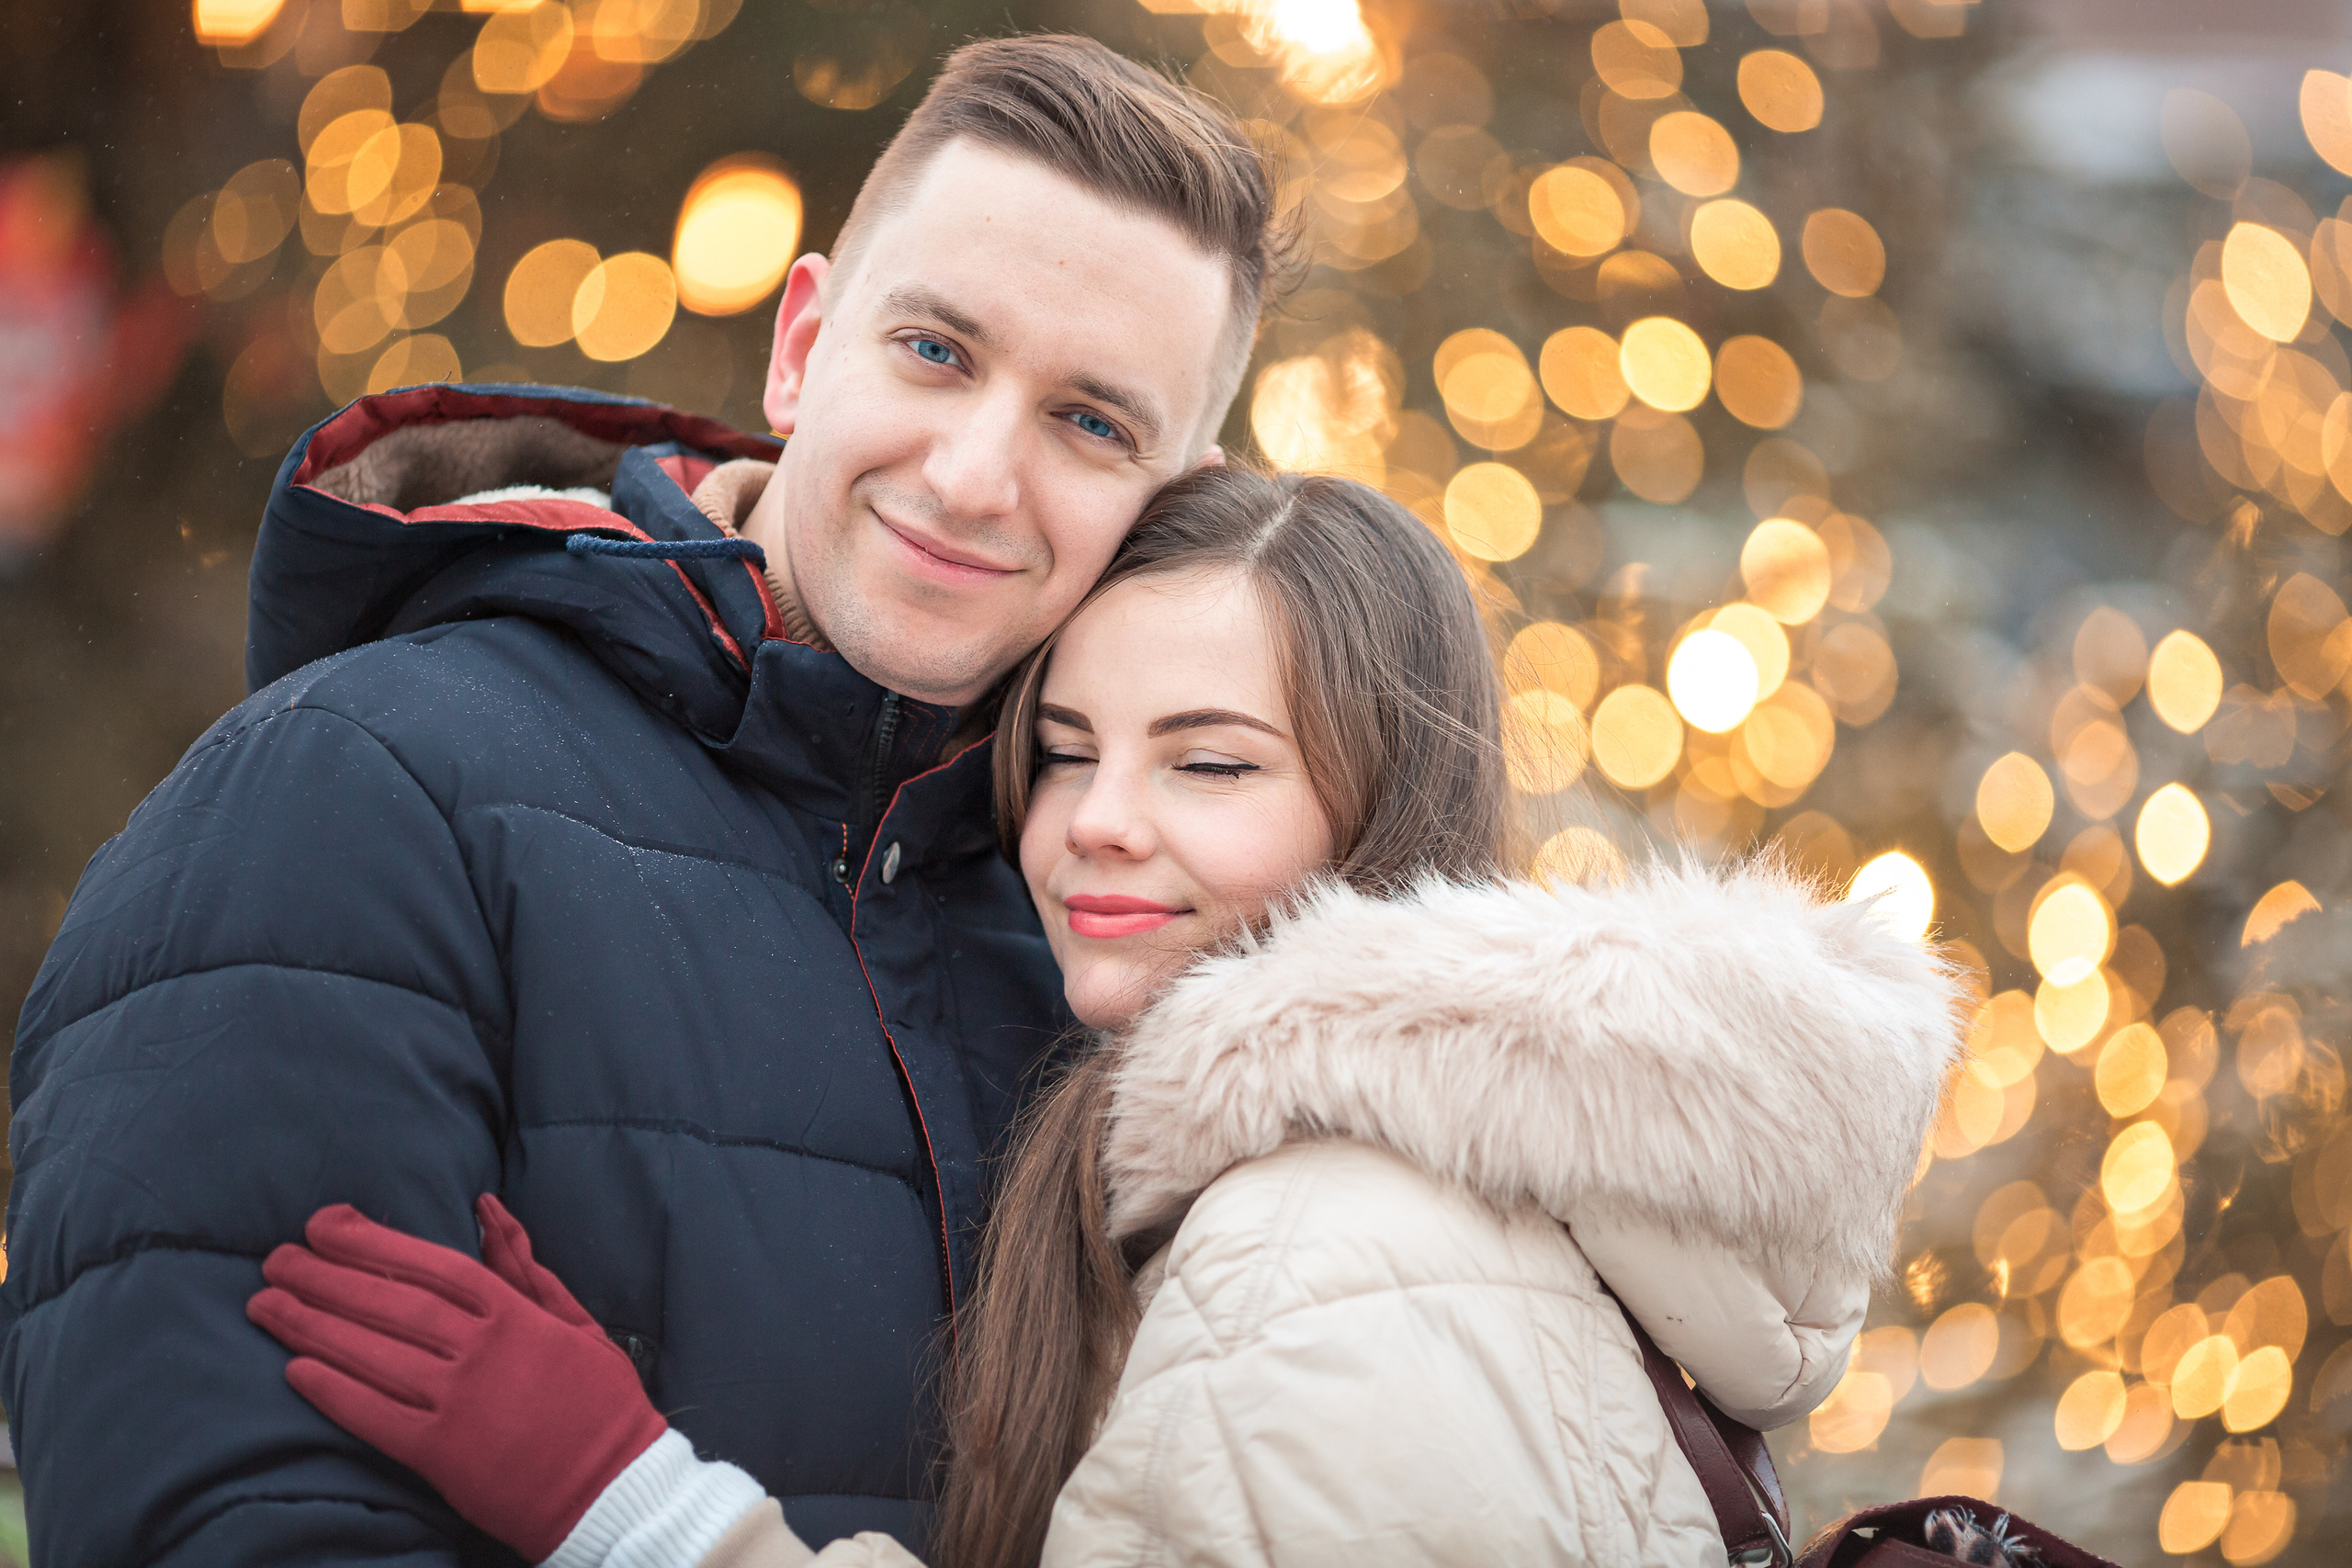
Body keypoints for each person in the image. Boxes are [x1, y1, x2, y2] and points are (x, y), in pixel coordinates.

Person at [1, 36, 1284, 1564]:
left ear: (1179, 501)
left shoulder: (1119, 957)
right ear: (803, 344)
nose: (973, 476)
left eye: (1092, 424)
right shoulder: (354, 795)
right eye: (936, 351)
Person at [249, 467, 1970, 1568]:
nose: (1098, 825)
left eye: (1209, 764)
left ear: (1385, 807)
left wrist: (633, 1506)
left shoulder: (1334, 1255)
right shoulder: (1383, 1189)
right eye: (1068, 752)